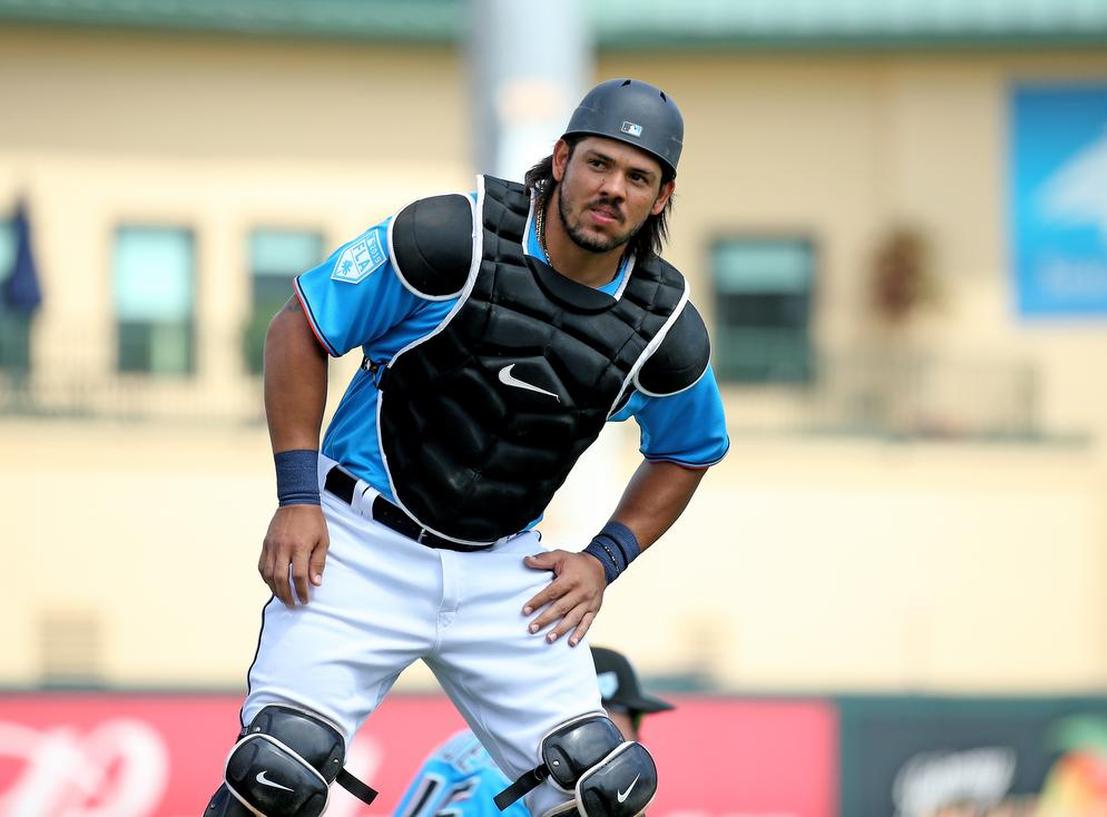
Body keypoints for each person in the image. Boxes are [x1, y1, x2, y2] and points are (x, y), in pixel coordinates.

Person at [203, 78, 728, 817]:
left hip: (504, 568)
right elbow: (301, 326)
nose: (613, 188)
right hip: (359, 538)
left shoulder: (665, 328)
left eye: (638, 177)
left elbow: (690, 449)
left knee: (603, 788)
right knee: (278, 770)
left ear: (661, 197)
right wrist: (296, 496)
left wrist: (605, 558)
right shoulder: (451, 237)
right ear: (561, 158)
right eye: (599, 164)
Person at [392, 646, 674, 817]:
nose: (638, 736)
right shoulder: (549, 779)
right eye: (633, 720)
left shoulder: (469, 741)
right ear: (600, 713)